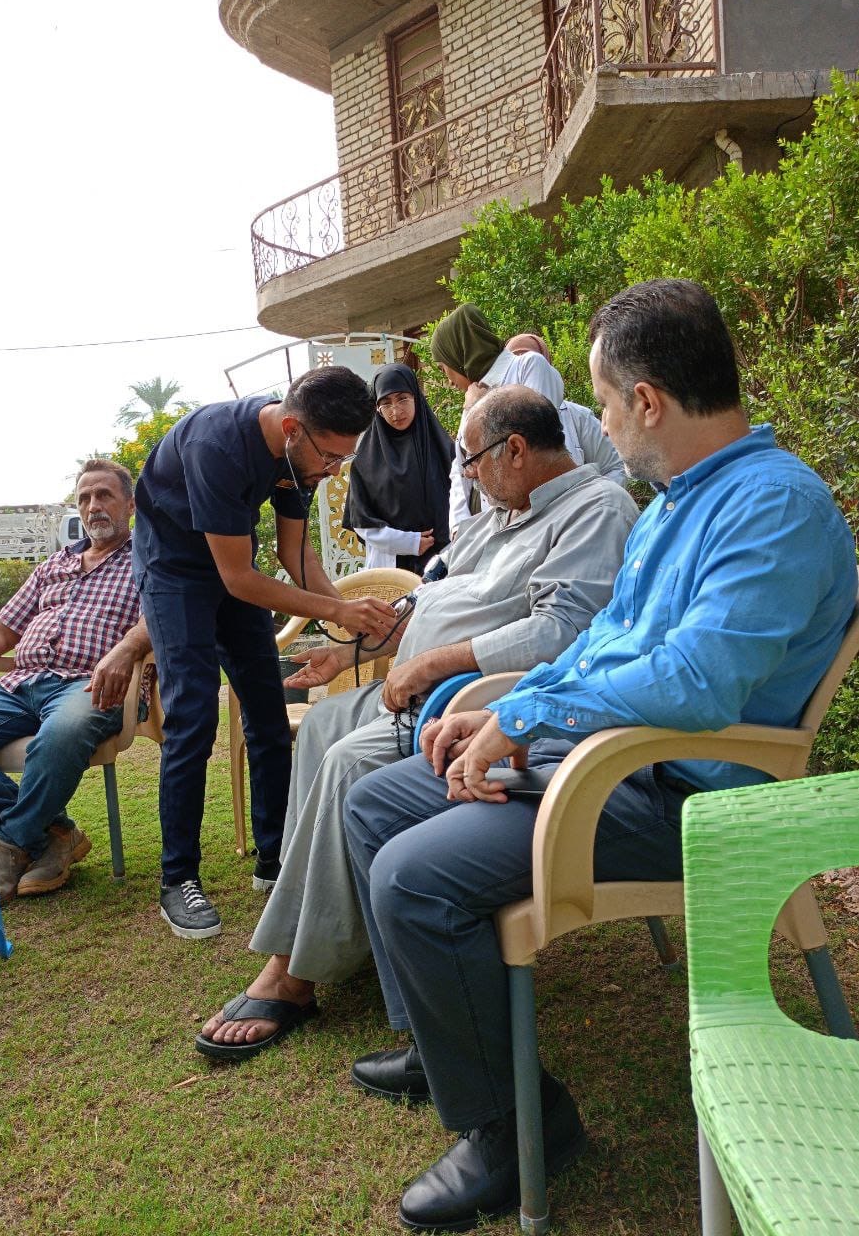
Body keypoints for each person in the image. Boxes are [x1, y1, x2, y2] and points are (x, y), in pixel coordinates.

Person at [342, 279, 857, 1233]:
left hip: (684, 798)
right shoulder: (669, 507)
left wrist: (530, 719)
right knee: (375, 801)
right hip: (610, 761)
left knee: (414, 878)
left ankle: (517, 1130)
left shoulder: (773, 506)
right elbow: (599, 644)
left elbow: (698, 682)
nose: (602, 426)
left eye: (607, 405)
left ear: (647, 400)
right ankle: (443, 1039)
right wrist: (508, 705)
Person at [195, 387, 638, 1060]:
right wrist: (348, 654)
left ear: (516, 450)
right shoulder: (504, 515)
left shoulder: (595, 509)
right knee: (320, 730)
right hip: (418, 686)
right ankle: (335, 930)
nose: (468, 476)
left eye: (472, 460)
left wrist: (432, 663)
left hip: (470, 701)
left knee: (347, 760)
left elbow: (562, 631)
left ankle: (292, 972)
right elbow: (430, 598)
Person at [132, 367, 398, 940]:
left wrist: (347, 610)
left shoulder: (302, 455)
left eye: (344, 459)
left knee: (269, 716)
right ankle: (178, 879)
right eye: (330, 457)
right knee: (192, 718)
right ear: (292, 427)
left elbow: (294, 556)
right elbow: (237, 579)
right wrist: (337, 612)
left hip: (235, 569)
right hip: (176, 573)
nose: (334, 470)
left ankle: (274, 857)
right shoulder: (217, 447)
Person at [0, 460, 151, 903]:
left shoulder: (149, 557)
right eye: (84, 498)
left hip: (92, 683)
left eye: (104, 495)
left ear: (131, 504)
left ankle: (9, 847)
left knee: (62, 732)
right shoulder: (54, 564)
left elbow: (162, 615)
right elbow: (3, 629)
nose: (93, 506)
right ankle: (53, 834)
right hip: (21, 683)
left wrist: (124, 650)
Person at [429, 302, 625, 531]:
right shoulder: (472, 399)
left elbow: (529, 442)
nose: (449, 381)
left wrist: (594, 509)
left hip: (550, 522)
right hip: (503, 527)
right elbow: (461, 472)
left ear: (460, 352)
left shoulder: (528, 369)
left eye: (444, 368)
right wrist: (459, 529)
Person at [341, 364, 452, 574]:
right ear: (377, 408)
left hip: (447, 560)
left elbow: (464, 503)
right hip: (392, 568)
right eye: (385, 403)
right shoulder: (364, 462)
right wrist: (410, 542)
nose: (395, 411)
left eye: (402, 399)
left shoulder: (444, 450)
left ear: (416, 397)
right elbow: (362, 522)